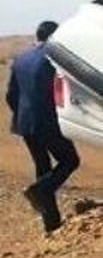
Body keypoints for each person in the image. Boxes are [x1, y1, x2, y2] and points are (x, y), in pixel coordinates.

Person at [6, 21, 79, 233]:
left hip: (26, 123)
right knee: (70, 160)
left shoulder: (20, 59)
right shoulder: (54, 59)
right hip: (48, 121)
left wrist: (22, 115)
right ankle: (40, 191)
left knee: (42, 166)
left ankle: (51, 222)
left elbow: (11, 95)